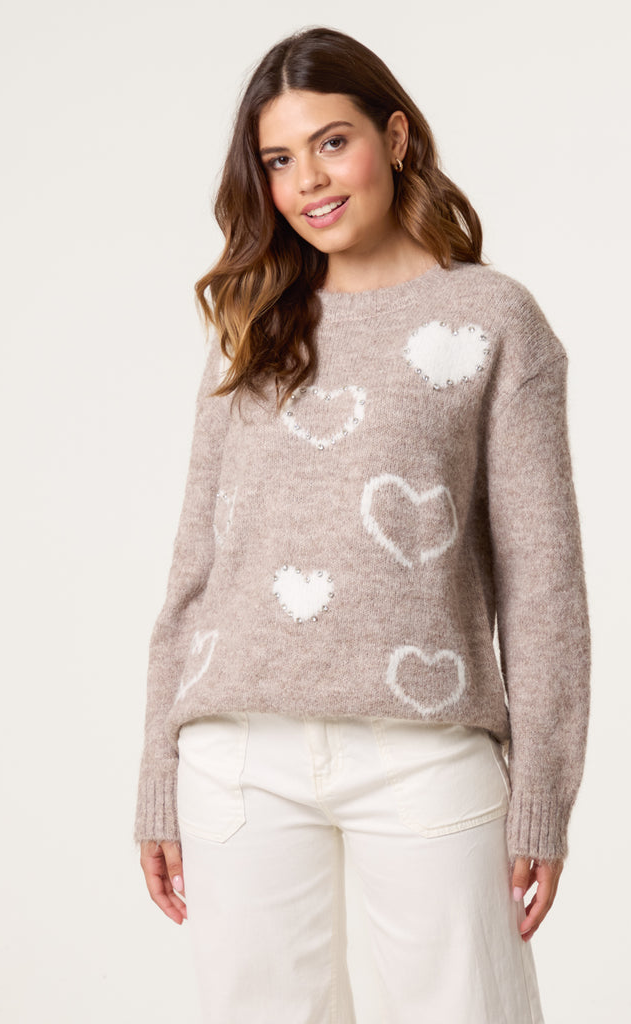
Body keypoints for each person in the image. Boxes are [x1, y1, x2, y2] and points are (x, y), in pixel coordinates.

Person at [134, 25, 590, 1024]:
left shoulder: (493, 319)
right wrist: (158, 779)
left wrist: (543, 796)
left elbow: (542, 578)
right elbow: (196, 563)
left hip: (424, 750)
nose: (307, 181)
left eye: (331, 142)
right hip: (239, 756)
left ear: (395, 136)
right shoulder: (251, 324)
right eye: (278, 160)